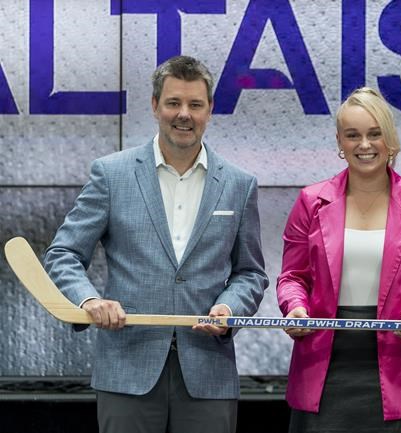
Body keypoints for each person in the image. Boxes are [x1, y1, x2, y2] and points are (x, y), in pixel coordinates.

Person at [44, 55, 269, 433]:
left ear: (210, 109)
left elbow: (250, 273)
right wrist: (89, 301)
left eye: (195, 104)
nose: (184, 114)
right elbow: (63, 252)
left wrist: (230, 306)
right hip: (126, 368)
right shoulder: (111, 174)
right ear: (154, 105)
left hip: (208, 373)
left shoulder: (239, 184)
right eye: (173, 103)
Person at [276, 87, 401, 432]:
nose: (365, 145)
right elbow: (292, 277)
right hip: (320, 363)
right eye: (353, 135)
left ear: (391, 140)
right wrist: (295, 307)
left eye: (375, 134)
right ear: (339, 142)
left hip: (395, 363)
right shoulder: (310, 201)